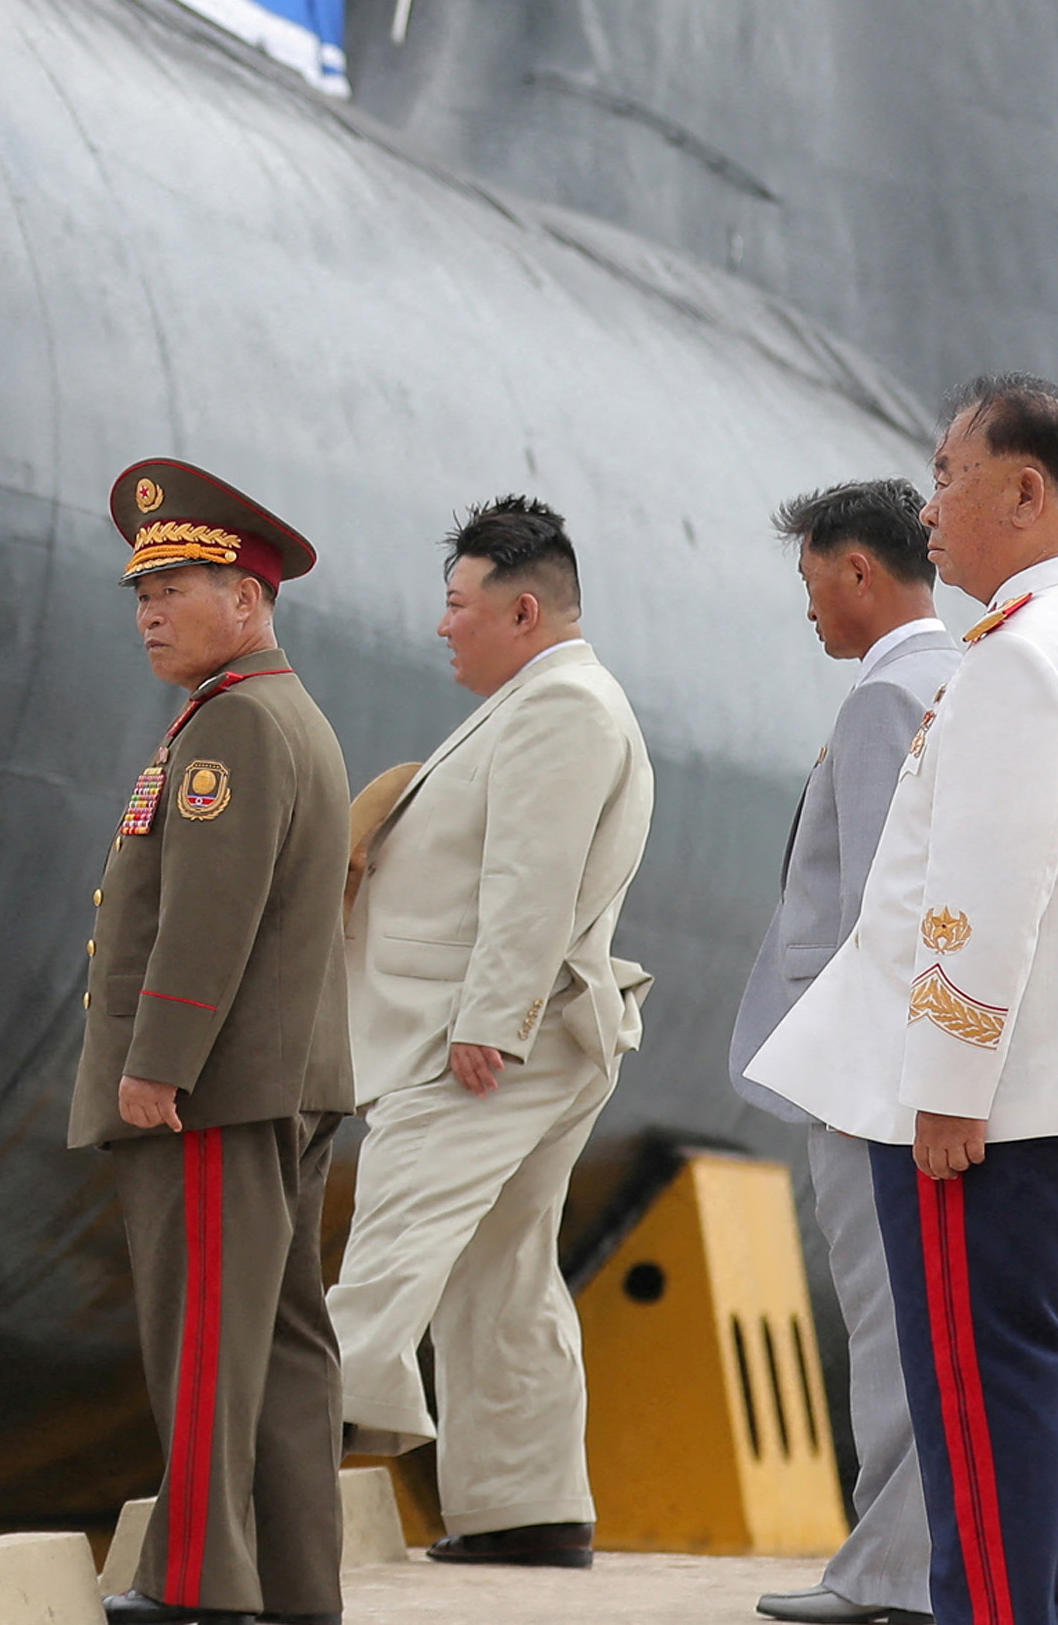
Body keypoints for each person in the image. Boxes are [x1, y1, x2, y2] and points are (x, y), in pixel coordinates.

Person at [745, 379, 1058, 1625]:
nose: (927, 506)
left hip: (990, 1116)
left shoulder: (1020, 658)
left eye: (947, 475)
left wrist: (945, 1084)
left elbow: (983, 895)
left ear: (1025, 490)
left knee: (986, 1428)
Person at [327, 495, 652, 1569]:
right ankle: (526, 1510)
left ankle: (271, 1473)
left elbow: (532, 879)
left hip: (483, 1045)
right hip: (525, 1033)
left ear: (523, 610)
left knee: (391, 1243)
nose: (442, 624)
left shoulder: (562, 708)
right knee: (502, 1274)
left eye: (458, 604)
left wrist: (491, 1025)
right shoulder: (546, 698)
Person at [73, 458, 356, 1625]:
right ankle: (292, 1590)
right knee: (283, 1348)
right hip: (277, 1083)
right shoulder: (274, 713)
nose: (148, 610)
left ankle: (195, 1587)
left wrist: (157, 1064)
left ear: (247, 598)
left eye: (178, 585)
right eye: (141, 590)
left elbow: (208, 914)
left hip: (214, 1093)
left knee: (204, 1344)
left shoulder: (234, 727)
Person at [730, 481, 959, 1625]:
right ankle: (924, 1564)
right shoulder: (957, 675)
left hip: (871, 1081)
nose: (810, 608)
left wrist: (869, 1080)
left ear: (857, 570)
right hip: (918, 1074)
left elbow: (887, 917)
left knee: (888, 1327)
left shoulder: (887, 699)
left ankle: (889, 1574)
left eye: (814, 580)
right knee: (923, 1327)